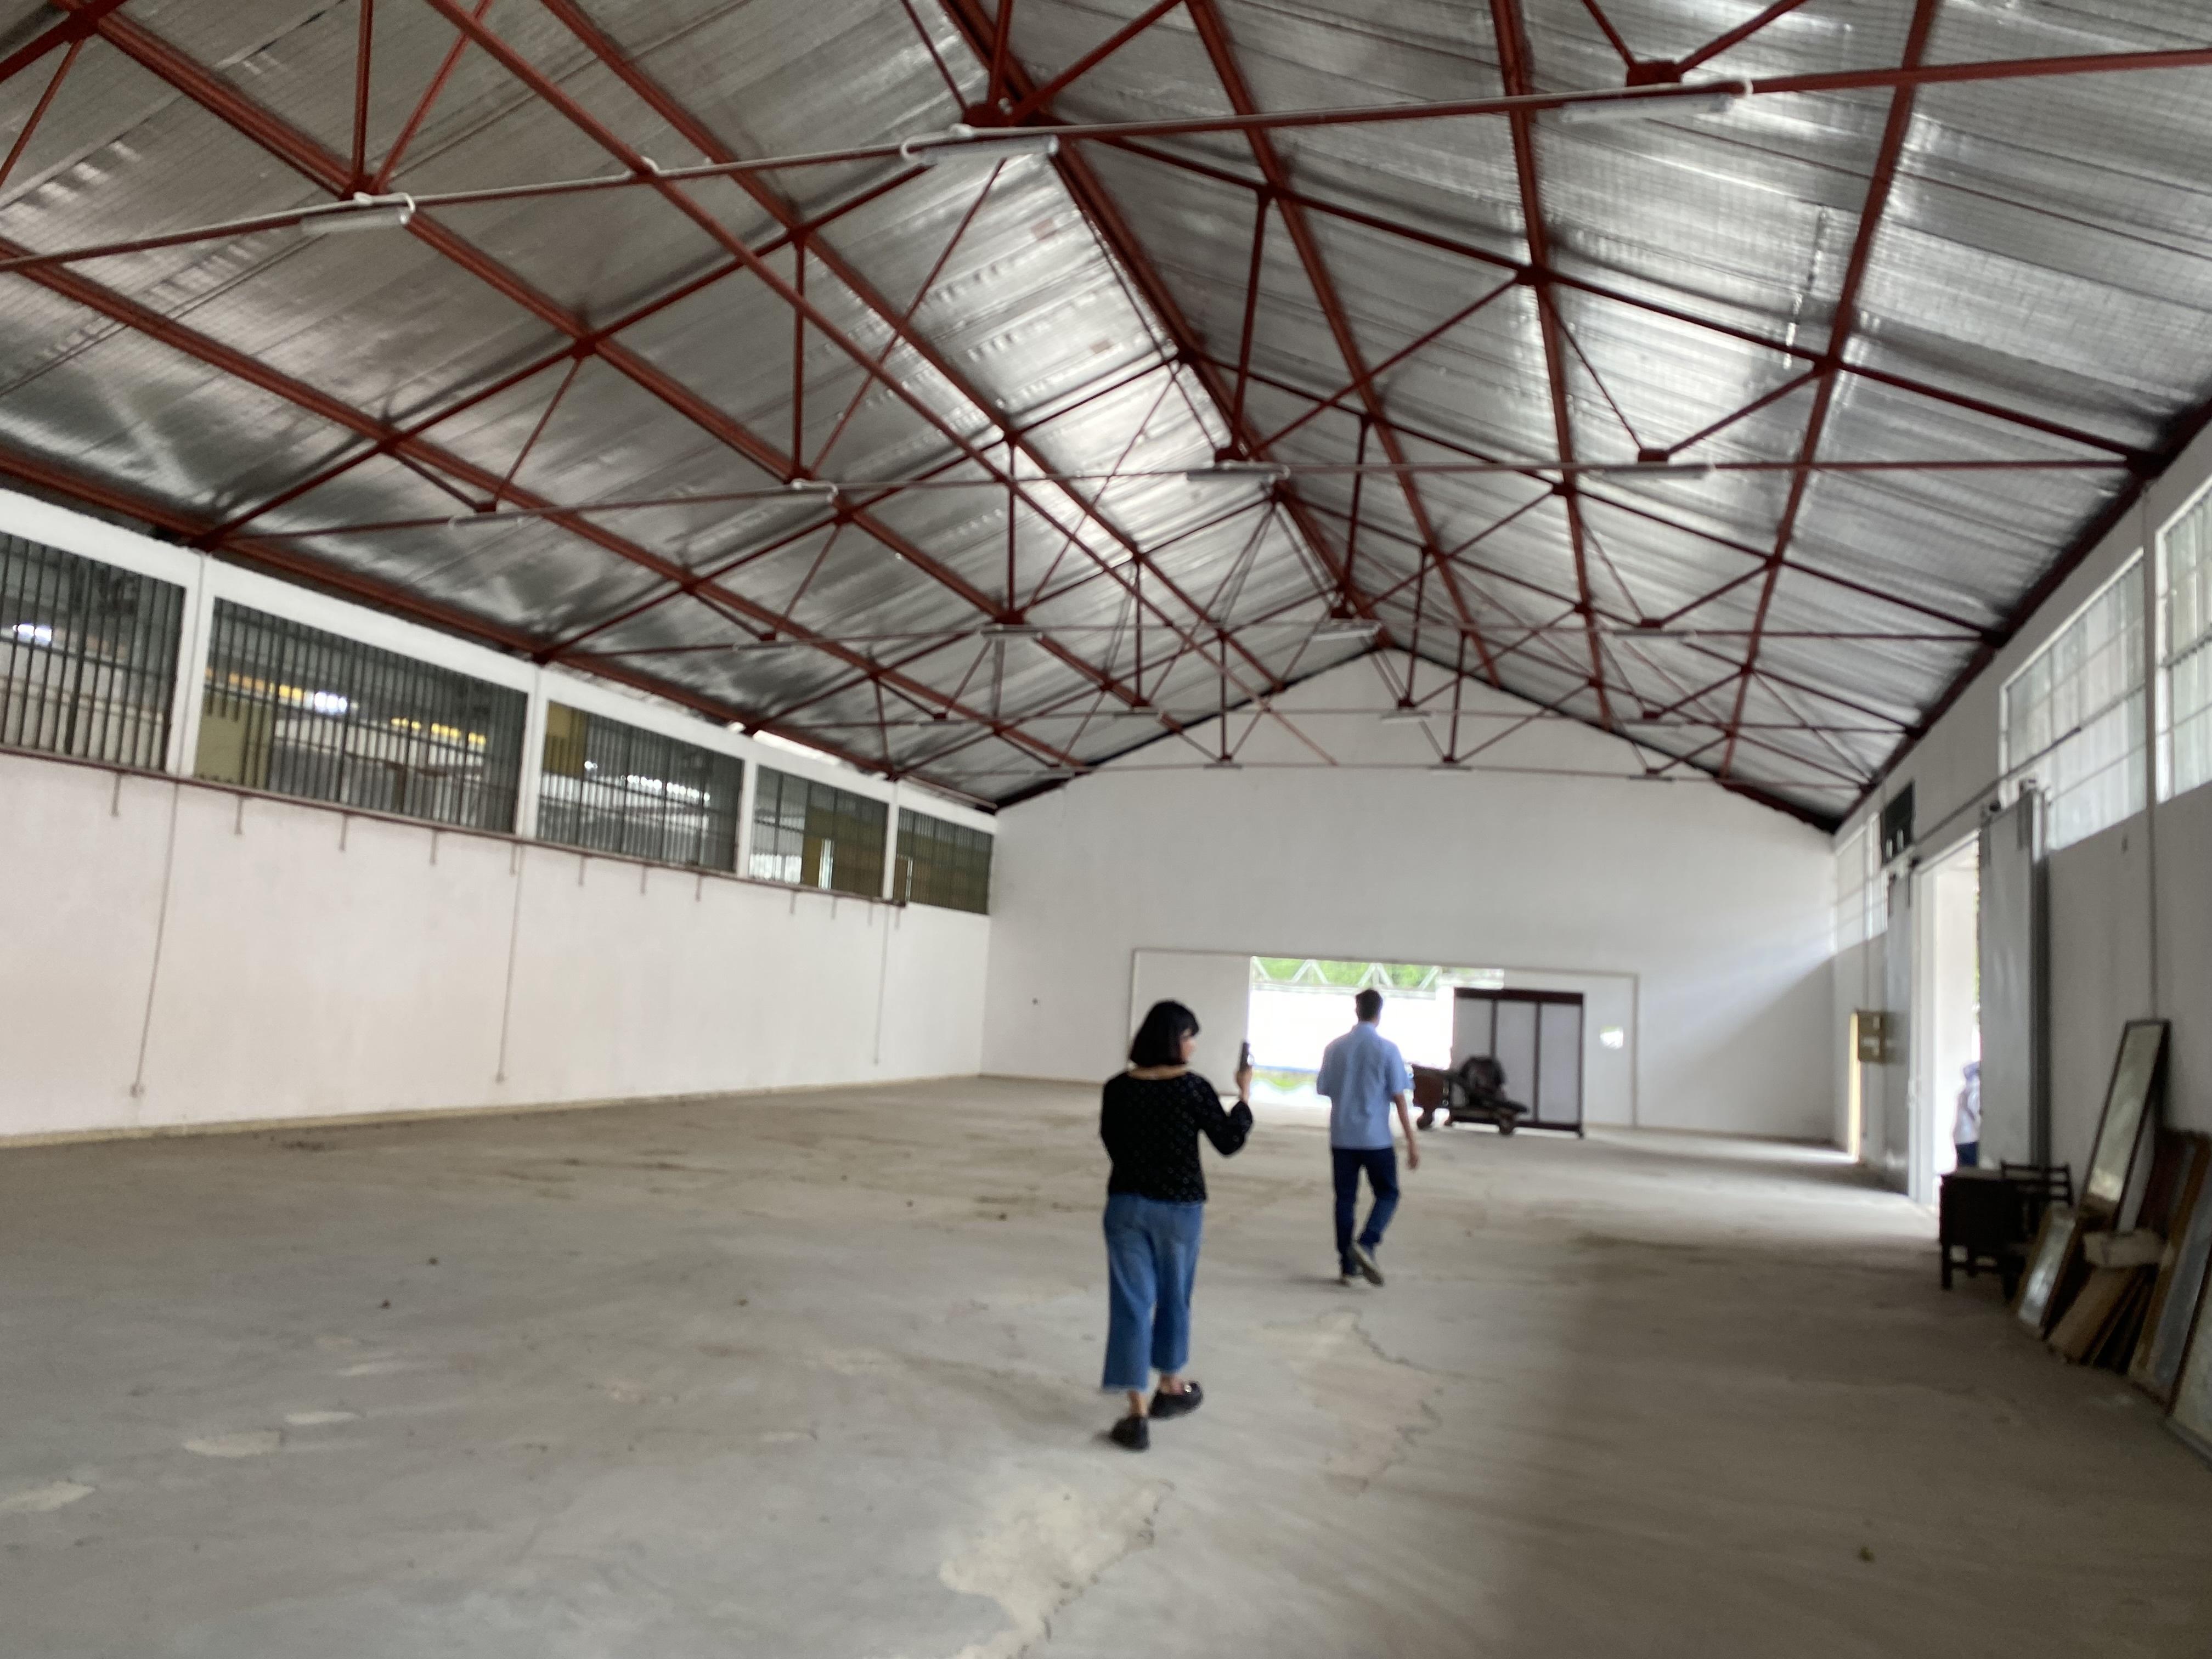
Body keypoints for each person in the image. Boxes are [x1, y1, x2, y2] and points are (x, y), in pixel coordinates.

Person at [1097, 1000, 1253, 1452]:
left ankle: (1136, 1413)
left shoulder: (1117, 1088)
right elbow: (1228, 1141)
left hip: (1125, 1206)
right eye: (1189, 1037)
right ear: (1173, 1041)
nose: (1193, 1045)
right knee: (1174, 1297)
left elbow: (1112, 1142)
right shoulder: (1192, 1089)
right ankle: (1170, 1386)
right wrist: (1244, 1096)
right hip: (1178, 1211)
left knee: (1130, 1304)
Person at [1316, 988, 1418, 1285]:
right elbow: (1399, 1099)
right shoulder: (1388, 1050)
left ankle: (1347, 1266)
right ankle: (1367, 1242)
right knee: (1388, 1193)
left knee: (1345, 1199)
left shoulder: (1335, 1048)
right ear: (1379, 1013)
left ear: (1356, 1010)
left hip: (1342, 1136)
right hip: (1376, 1139)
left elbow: (1324, 1088)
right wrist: (1412, 1141)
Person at [1954, 1060, 1982, 1169]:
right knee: (1972, 1170)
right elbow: (1977, 1112)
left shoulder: (1965, 1091)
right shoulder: (1974, 1090)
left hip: (1961, 1138)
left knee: (1964, 1169)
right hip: (1970, 1138)